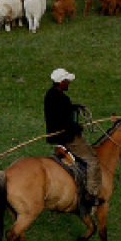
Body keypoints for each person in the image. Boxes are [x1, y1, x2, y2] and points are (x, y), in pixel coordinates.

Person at [44, 68, 103, 213]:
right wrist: (78, 127)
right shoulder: (63, 99)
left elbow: (60, 111)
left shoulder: (50, 95)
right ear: (61, 82)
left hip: (54, 136)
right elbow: (66, 122)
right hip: (67, 137)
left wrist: (73, 107)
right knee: (92, 159)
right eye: (67, 81)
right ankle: (91, 194)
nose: (69, 83)